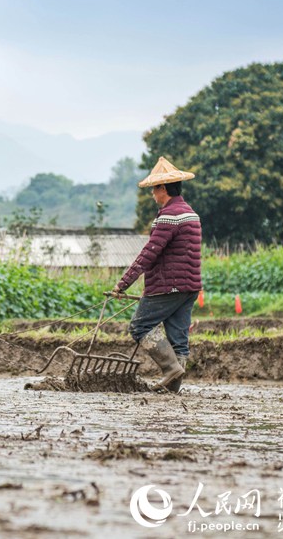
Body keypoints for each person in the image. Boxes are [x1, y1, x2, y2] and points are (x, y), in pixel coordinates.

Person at [112, 156, 202, 393]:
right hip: (189, 287)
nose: (152, 194)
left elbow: (148, 254)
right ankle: (173, 387)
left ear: (163, 188)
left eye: (154, 189)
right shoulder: (191, 214)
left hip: (167, 286)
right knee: (178, 339)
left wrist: (123, 284)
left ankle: (171, 369)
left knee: (140, 327)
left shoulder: (168, 217)